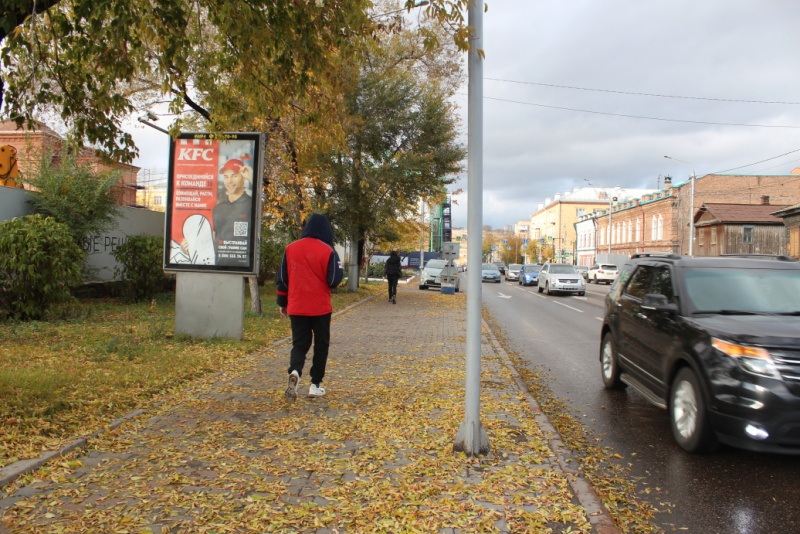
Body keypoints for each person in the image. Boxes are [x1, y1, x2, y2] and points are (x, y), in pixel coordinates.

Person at [276, 214, 343, 400]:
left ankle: (295, 372)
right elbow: (334, 280)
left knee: (299, 344)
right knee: (321, 345)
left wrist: (283, 303)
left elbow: (282, 280)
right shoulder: (329, 251)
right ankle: (315, 384)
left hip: (297, 306)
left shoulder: (290, 249)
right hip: (320, 308)